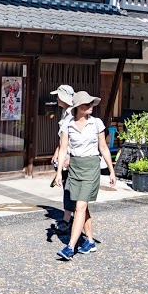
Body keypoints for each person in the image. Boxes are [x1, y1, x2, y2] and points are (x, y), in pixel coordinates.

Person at [54, 91, 116, 260]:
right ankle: (89, 241)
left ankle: (70, 247)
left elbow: (103, 148)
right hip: (74, 167)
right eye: (87, 104)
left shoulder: (96, 124)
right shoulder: (68, 124)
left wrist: (111, 170)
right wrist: (59, 172)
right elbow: (64, 149)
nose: (91, 107)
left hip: (91, 167)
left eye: (91, 104)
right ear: (78, 108)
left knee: (80, 207)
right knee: (82, 206)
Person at [50, 84, 75, 235]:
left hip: (71, 157)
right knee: (67, 187)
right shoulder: (65, 113)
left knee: (70, 189)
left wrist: (69, 156)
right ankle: (67, 219)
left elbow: (73, 139)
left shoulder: (72, 114)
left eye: (58, 96)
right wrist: (57, 152)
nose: (57, 98)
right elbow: (62, 137)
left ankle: (68, 221)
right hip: (64, 154)